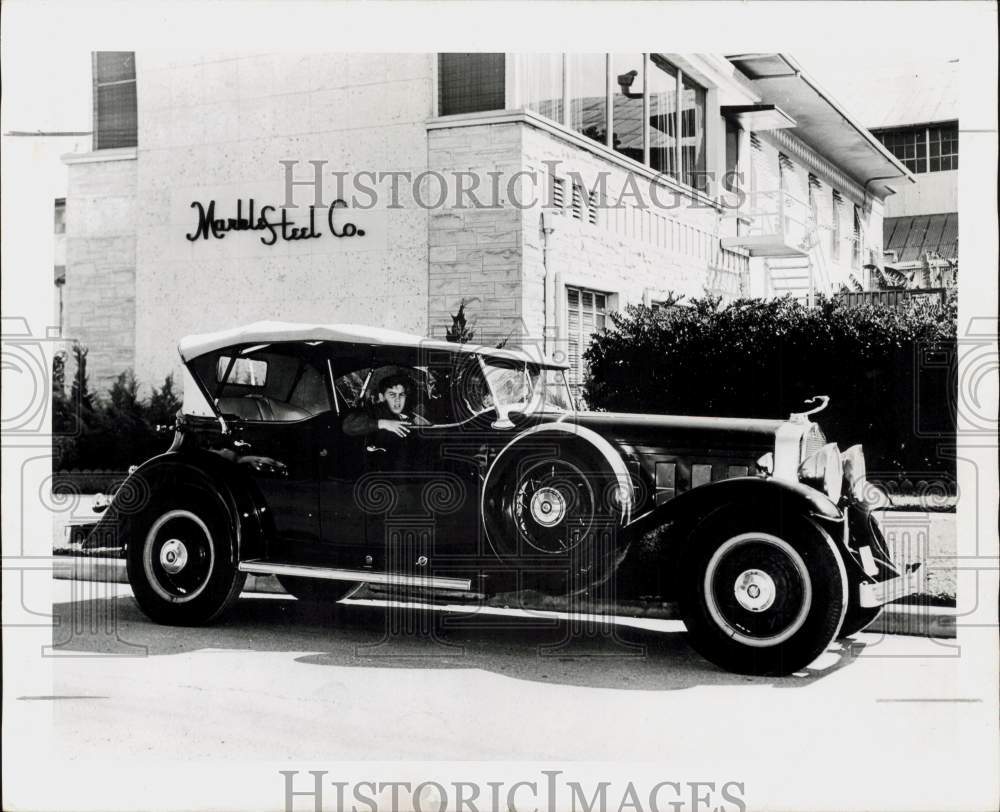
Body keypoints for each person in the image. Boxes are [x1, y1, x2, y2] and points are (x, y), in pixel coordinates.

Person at [342, 372, 430, 439]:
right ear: (381, 397)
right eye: (392, 395)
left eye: (401, 395)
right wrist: (383, 423)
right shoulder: (373, 412)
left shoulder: (409, 415)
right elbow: (348, 426)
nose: (397, 399)